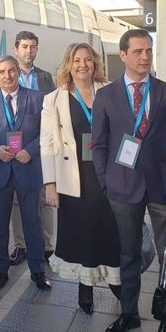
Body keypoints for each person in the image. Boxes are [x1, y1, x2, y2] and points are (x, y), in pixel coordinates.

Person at [92, 29, 166, 332]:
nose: (145, 57)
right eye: (138, 51)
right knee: (128, 253)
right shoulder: (107, 96)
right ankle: (129, 312)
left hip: (161, 189)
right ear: (124, 55)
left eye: (149, 51)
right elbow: (98, 144)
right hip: (122, 188)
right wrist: (106, 180)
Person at [40, 43, 121, 314]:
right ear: (69, 64)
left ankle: (117, 284)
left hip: (106, 175)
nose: (83, 65)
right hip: (73, 178)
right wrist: (50, 184)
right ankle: (85, 291)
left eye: (88, 59)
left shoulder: (109, 91)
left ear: (95, 63)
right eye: (77, 60)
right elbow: (47, 144)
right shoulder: (54, 99)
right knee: (82, 233)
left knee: (108, 231)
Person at [0, 55, 51, 292]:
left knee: (33, 221)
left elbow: (47, 133)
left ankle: (38, 271)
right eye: (1, 72)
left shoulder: (38, 98)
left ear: (18, 72)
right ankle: (0, 270)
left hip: (28, 170)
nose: (7, 76)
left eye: (11, 71)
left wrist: (30, 150)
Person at [0, 30, 56, 266]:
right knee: (10, 213)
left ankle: (44, 253)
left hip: (35, 158)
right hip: (7, 161)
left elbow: (49, 122)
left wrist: (33, 149)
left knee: (40, 210)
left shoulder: (45, 80)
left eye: (33, 46)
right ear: (17, 50)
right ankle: (17, 249)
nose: (29, 51)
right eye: (25, 47)